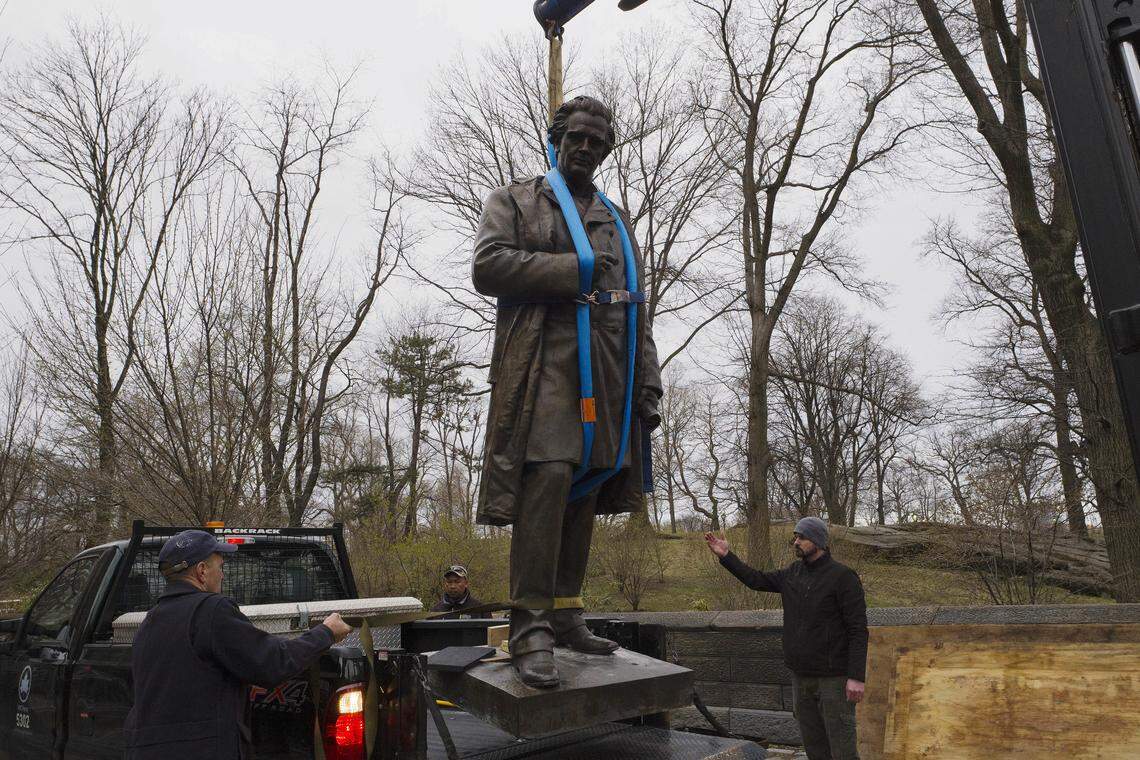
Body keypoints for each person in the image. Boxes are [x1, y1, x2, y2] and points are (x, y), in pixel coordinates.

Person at [471, 95, 662, 688]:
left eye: (597, 142)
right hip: (545, 366)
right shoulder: (517, 200)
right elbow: (488, 266)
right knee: (548, 477)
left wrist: (647, 381)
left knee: (589, 482)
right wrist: (570, 271)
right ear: (557, 138)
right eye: (577, 137)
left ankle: (566, 610)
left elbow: (637, 306)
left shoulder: (614, 216)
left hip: (607, 368)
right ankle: (530, 627)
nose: (586, 149)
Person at [124, 529, 353, 759]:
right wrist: (326, 633)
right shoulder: (211, 610)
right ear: (202, 571)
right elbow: (274, 662)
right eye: (220, 567)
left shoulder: (149, 623)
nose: (223, 576)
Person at [705, 517, 868, 760]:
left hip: (833, 679)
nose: (796, 541)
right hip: (801, 677)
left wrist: (856, 677)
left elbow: (858, 629)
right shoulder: (793, 573)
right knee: (814, 748)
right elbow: (756, 580)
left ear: (818, 541)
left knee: (842, 749)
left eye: (802, 537)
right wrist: (727, 556)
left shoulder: (843, 577)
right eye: (796, 536)